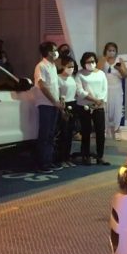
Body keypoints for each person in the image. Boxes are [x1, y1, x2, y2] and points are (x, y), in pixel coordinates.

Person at [34, 42, 63, 172]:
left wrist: (59, 100)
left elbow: (54, 86)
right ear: (49, 52)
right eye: (54, 50)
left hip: (54, 104)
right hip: (45, 104)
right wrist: (54, 101)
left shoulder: (53, 66)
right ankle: (42, 163)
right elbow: (42, 85)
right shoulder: (41, 66)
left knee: (51, 134)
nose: (57, 52)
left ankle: (49, 160)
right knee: (44, 134)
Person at [76, 52, 109, 166]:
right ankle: (85, 156)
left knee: (100, 131)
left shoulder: (101, 73)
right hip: (84, 106)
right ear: (83, 63)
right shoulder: (80, 74)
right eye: (88, 62)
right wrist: (93, 100)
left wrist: (100, 101)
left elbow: (105, 89)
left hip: (98, 106)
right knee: (86, 131)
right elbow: (79, 91)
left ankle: (100, 156)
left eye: (93, 61)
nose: (91, 63)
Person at [98, 42, 127, 140]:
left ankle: (117, 130)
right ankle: (104, 130)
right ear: (106, 51)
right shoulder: (102, 60)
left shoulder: (120, 60)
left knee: (117, 109)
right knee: (105, 110)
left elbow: (125, 75)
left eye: (113, 50)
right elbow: (96, 71)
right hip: (105, 89)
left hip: (117, 89)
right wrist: (105, 58)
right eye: (109, 50)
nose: (111, 52)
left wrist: (119, 69)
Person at [55, 56, 78, 165]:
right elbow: (57, 94)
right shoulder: (58, 78)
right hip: (63, 105)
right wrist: (62, 110)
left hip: (72, 104)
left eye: (72, 67)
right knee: (63, 133)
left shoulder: (72, 78)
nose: (71, 69)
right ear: (63, 66)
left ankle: (67, 158)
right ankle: (60, 158)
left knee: (69, 133)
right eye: (69, 66)